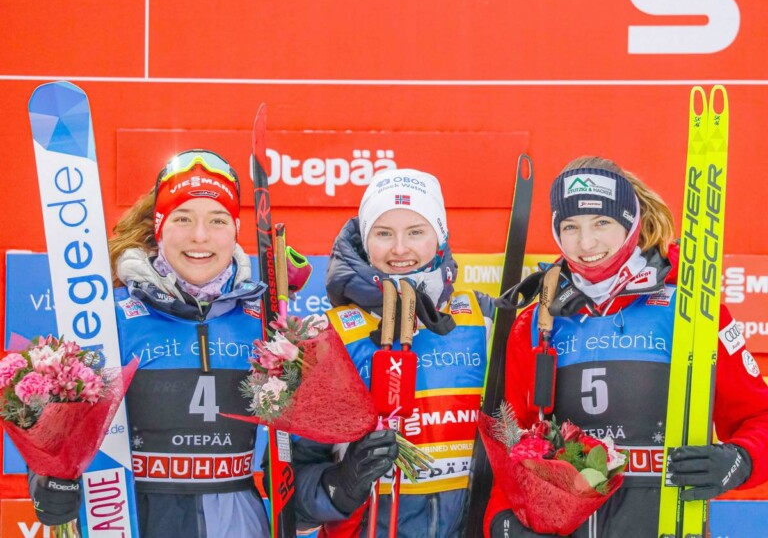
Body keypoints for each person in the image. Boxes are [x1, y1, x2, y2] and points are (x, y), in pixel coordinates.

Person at [485, 156, 768, 537]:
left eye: (602, 223)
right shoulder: (535, 323)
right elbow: (509, 442)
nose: (586, 243)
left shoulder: (691, 309)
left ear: (631, 222)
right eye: (571, 226)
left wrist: (741, 459)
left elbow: (759, 417)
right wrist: (503, 520)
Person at [28, 150, 271, 537]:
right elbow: (60, 433)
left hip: (239, 521)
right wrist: (47, 483)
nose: (200, 236)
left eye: (217, 220)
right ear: (159, 227)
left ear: (235, 230)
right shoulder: (111, 317)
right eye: (183, 219)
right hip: (129, 519)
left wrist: (338, 486)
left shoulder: (265, 323)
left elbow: (297, 465)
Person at [293, 168, 496, 537]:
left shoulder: (485, 320)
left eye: (416, 232)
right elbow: (293, 501)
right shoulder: (327, 338)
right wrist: (341, 485)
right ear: (366, 242)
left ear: (440, 237)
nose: (400, 249)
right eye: (384, 233)